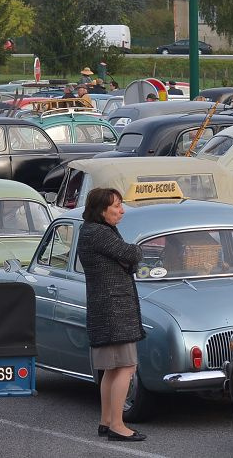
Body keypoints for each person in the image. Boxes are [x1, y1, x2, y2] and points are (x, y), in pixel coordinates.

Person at [76, 188, 147, 442]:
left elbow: (127, 259)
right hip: (114, 311)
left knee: (110, 369)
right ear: (101, 210)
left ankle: (106, 421)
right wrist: (133, 253)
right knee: (126, 367)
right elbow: (132, 254)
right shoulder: (99, 233)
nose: (122, 210)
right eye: (116, 206)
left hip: (104, 309)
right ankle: (118, 425)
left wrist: (129, 257)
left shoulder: (91, 231)